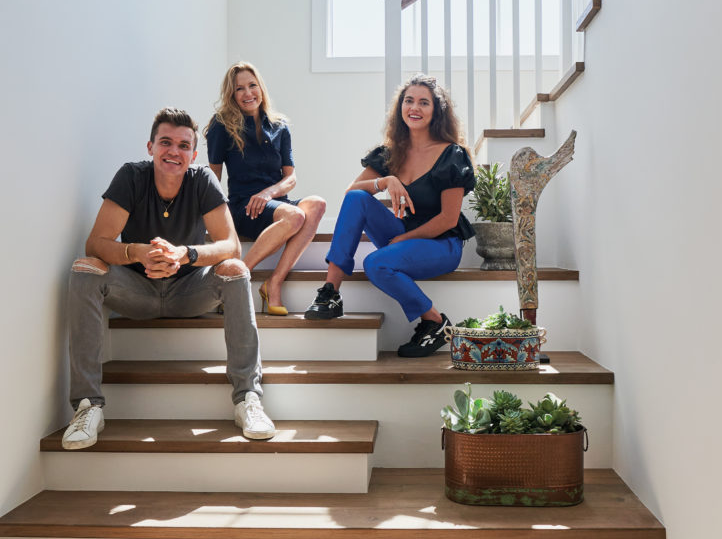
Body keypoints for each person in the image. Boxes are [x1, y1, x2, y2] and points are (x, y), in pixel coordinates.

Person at [62, 107, 274, 450]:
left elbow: (230, 245)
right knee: (85, 268)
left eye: (182, 145)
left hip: (190, 290)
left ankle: (247, 398)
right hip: (137, 292)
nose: (173, 152)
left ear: (193, 154)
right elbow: (97, 242)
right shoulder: (131, 176)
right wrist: (138, 253)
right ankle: (88, 406)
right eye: (165, 142)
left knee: (236, 270)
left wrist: (184, 254)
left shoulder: (203, 179)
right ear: (150, 147)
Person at [304, 74, 475, 358]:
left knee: (375, 263)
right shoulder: (390, 153)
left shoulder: (451, 155)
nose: (414, 108)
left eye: (424, 102)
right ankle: (330, 292)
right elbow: (351, 192)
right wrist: (385, 182)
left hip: (442, 243)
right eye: (409, 101)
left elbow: (448, 219)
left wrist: (402, 239)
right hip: (403, 236)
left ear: (436, 111)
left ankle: (434, 320)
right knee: (358, 197)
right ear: (400, 107)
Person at [204, 62, 326, 314]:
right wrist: (216, 219)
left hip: (274, 205)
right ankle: (236, 277)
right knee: (295, 215)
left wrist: (268, 193)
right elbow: (212, 176)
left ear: (261, 87)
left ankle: (273, 283)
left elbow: (290, 178)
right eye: (240, 89)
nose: (248, 93)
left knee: (316, 204)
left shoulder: (279, 126)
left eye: (252, 85)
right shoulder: (222, 125)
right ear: (232, 95)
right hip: (243, 208)